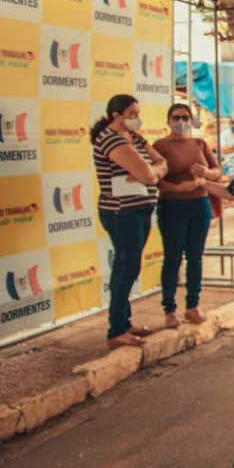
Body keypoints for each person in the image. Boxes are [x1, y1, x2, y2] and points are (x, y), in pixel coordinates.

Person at [91, 94, 168, 348]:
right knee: (126, 267)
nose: (137, 118)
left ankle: (124, 321)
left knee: (129, 267)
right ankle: (117, 329)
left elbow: (159, 164)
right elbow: (148, 172)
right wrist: (151, 173)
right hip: (121, 212)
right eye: (132, 114)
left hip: (140, 209)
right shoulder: (110, 139)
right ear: (116, 116)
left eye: (138, 113)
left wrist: (152, 173)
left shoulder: (134, 138)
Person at [153, 104, 220, 327]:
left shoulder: (199, 143)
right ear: (168, 120)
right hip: (172, 207)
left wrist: (206, 174)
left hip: (199, 205)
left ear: (192, 121)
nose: (180, 121)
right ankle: (169, 310)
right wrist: (176, 188)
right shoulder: (160, 146)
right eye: (176, 117)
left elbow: (217, 171)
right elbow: (153, 177)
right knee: (172, 259)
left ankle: (192, 306)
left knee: (196, 258)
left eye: (185, 117)